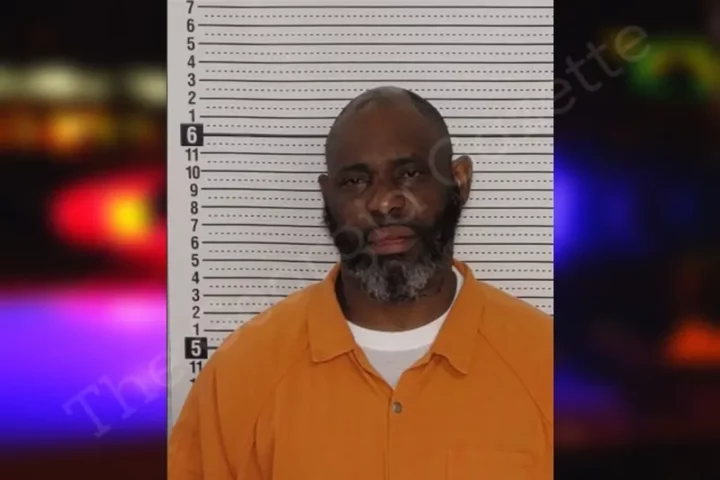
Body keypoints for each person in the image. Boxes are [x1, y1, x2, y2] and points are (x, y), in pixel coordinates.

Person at [168, 86, 553, 480]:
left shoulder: (546, 364)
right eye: (355, 181)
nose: (383, 202)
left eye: (409, 174)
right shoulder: (241, 375)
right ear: (327, 196)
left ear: (459, 180)